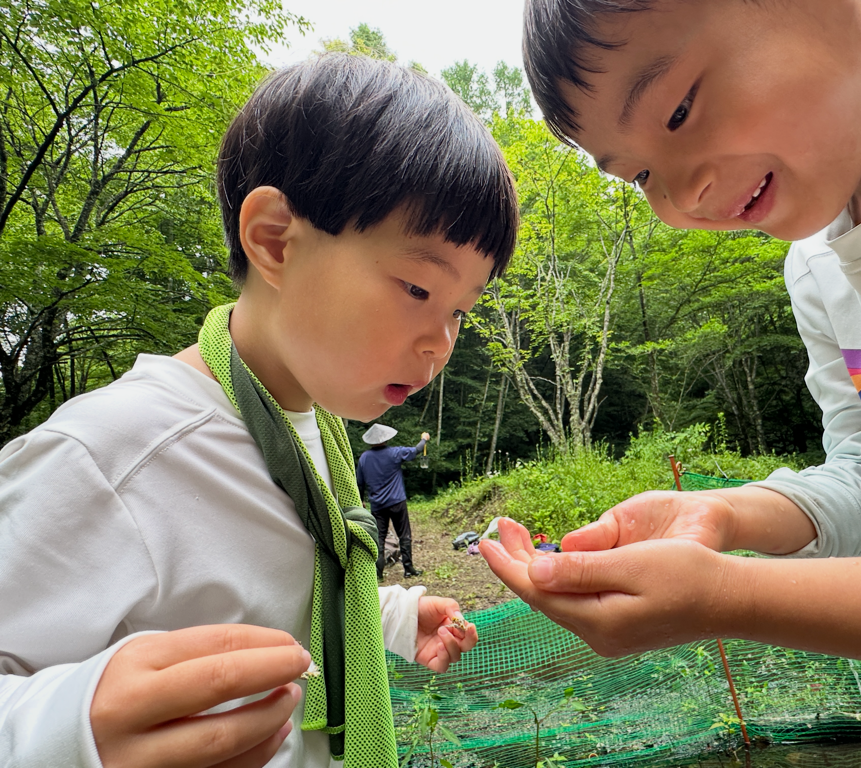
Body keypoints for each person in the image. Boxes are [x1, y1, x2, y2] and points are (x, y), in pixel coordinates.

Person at [480, 2, 861, 766]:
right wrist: (724, 515)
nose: (679, 200)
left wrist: (728, 598)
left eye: (678, 108)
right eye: (638, 174)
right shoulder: (818, 266)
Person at [0, 54, 519, 768]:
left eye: (462, 309)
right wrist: (68, 729)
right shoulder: (112, 454)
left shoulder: (315, 424)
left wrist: (393, 617)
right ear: (275, 239)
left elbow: (293, 580)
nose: (441, 341)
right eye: (418, 289)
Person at [357, 424, 430, 579]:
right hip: (397, 502)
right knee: (404, 535)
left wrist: (361, 499)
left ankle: (378, 574)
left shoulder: (364, 458)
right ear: (385, 439)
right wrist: (424, 440)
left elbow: (359, 482)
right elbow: (416, 450)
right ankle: (408, 569)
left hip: (377, 505)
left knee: (379, 539)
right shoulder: (395, 453)